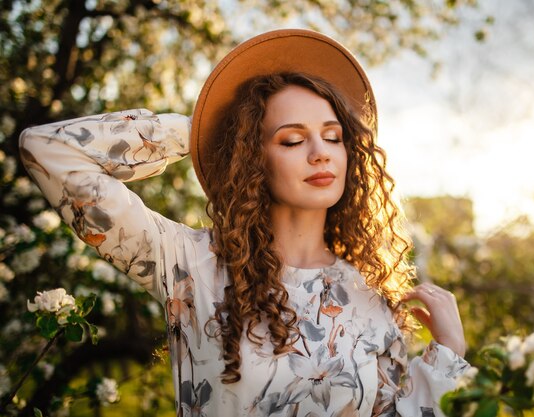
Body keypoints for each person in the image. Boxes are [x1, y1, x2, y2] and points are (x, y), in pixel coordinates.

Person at [20, 29, 468, 416]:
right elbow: (48, 151)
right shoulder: (190, 266)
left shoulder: (373, 300)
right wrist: (203, 131)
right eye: (292, 139)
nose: (320, 151)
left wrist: (448, 357)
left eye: (333, 136)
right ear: (252, 156)